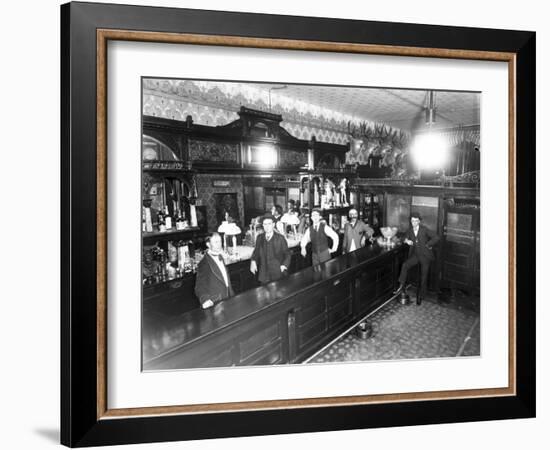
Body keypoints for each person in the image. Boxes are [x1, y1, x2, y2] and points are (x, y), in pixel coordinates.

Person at [393, 213, 440, 305]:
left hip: (425, 256)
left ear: (419, 221)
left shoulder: (424, 229)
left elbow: (436, 237)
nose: (413, 223)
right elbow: (403, 237)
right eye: (412, 221)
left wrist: (428, 245)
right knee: (405, 265)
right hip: (416, 255)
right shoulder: (410, 230)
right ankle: (401, 285)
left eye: (415, 221)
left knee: (423, 277)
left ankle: (421, 296)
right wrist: (407, 241)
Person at [194, 232, 234, 309]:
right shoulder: (204, 263)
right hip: (216, 303)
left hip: (229, 297)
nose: (219, 244)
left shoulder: (220, 256)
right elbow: (199, 286)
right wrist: (204, 299)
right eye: (216, 242)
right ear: (208, 244)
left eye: (220, 241)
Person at [250, 214, 291, 284]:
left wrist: (284, 266)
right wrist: (253, 261)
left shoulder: (280, 238)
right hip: (264, 275)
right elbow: (256, 252)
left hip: (278, 274)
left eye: (269, 224)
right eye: (265, 224)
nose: (267, 226)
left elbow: (287, 254)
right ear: (262, 225)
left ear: (273, 225)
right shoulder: (259, 238)